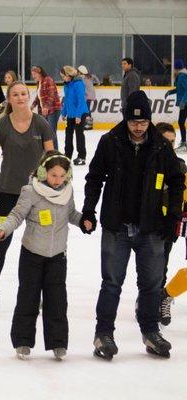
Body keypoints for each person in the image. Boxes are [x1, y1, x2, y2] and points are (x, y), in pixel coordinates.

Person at [81, 90, 184, 360]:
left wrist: (172, 215)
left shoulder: (161, 145)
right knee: (112, 283)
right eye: (133, 122)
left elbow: (177, 181)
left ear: (150, 120)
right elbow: (94, 178)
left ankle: (150, 332)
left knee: (151, 284)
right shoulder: (110, 141)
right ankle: (103, 334)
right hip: (117, 227)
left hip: (151, 227)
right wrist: (89, 209)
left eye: (143, 122)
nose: (138, 127)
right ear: (126, 119)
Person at [0, 151, 89, 360]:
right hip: (32, 254)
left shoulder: (67, 192)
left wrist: (84, 221)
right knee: (28, 297)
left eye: (62, 176)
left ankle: (58, 343)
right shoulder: (31, 191)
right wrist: (4, 229)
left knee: (57, 300)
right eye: (54, 175)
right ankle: (22, 341)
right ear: (43, 172)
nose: (58, 180)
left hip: (57, 256)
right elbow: (17, 214)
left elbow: (71, 214)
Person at [0, 82, 55, 311]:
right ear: (9, 98)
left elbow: (52, 158)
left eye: (24, 93)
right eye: (15, 94)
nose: (21, 97)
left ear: (29, 96)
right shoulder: (2, 125)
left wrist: (53, 187)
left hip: (38, 194)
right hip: (8, 193)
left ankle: (38, 291)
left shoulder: (40, 123)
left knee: (39, 245)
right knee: (2, 241)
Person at [156, 122, 187, 327]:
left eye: (173, 142)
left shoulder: (180, 165)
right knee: (155, 265)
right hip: (155, 222)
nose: (170, 145)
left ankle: (161, 296)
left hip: (172, 220)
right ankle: (161, 296)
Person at [60, 66, 89, 165]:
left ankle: (81, 156)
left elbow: (81, 100)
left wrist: (78, 115)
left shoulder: (78, 84)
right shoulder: (66, 85)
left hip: (80, 113)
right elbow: (67, 100)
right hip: (71, 114)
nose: (62, 78)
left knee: (79, 134)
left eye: (63, 76)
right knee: (68, 134)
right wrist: (64, 112)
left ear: (68, 75)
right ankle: (67, 155)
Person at [31, 66, 62, 148]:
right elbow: (38, 97)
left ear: (40, 72)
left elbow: (51, 95)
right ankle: (48, 150)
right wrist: (32, 105)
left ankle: (54, 151)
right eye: (32, 74)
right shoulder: (39, 83)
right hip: (45, 111)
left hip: (53, 109)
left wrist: (46, 107)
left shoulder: (48, 80)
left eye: (34, 74)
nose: (33, 76)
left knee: (51, 132)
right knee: (45, 132)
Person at [165, 59, 187, 151]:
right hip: (184, 102)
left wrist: (183, 101)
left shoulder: (182, 76)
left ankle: (184, 143)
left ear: (177, 69)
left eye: (174, 68)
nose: (173, 70)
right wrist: (170, 92)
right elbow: (179, 89)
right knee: (181, 122)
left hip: (185, 103)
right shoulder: (180, 76)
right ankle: (184, 142)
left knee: (181, 122)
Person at [77, 65, 100, 130]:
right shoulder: (90, 76)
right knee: (87, 109)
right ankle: (89, 124)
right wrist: (98, 83)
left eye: (78, 71)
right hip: (91, 95)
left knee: (86, 109)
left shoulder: (81, 77)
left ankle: (87, 124)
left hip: (86, 95)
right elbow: (95, 77)